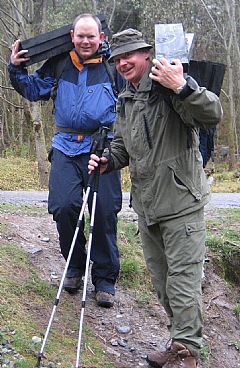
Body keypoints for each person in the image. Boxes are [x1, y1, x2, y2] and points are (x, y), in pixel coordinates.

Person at [88, 29, 223, 367]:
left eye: (129, 55)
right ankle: (179, 342)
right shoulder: (125, 98)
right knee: (163, 286)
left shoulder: (170, 83)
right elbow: (123, 144)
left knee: (183, 284)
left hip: (181, 203)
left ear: (146, 53)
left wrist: (182, 86)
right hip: (147, 206)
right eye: (117, 59)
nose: (122, 63)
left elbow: (212, 113)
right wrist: (108, 161)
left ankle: (187, 354)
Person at [8, 14, 124, 308]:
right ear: (73, 36)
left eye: (91, 36)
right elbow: (33, 89)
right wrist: (16, 67)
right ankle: (74, 266)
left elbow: (135, 101)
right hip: (65, 146)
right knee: (63, 205)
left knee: (104, 212)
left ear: (101, 38)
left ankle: (104, 280)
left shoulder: (114, 69)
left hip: (103, 148)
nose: (86, 42)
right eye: (81, 36)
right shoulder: (60, 64)